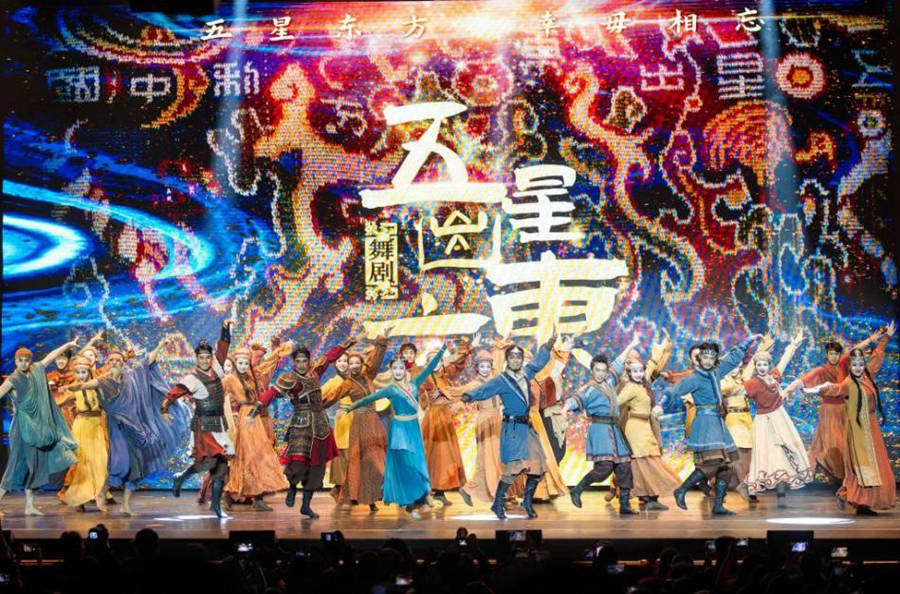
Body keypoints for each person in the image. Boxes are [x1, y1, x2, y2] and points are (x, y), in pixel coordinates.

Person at [66, 338, 191, 516]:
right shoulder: (103, 381)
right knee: (119, 464)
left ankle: (125, 505)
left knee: (136, 467)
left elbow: (148, 361)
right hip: (117, 429)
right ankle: (101, 492)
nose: (114, 363)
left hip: (134, 428)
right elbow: (85, 385)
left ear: (123, 362)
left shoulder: (132, 377)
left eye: (118, 360)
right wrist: (70, 388)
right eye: (111, 360)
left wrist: (160, 345)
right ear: (108, 363)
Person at [254, 331, 362, 518]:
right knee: (297, 464)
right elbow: (273, 392)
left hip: (320, 426)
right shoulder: (290, 379)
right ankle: (292, 487)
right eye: (298, 361)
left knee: (316, 468)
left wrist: (346, 344)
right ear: (294, 362)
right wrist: (259, 404)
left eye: (305, 361)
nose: (302, 364)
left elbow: (329, 357)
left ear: (308, 361)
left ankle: (306, 505)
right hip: (301, 426)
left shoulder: (314, 373)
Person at [459, 330, 556, 520]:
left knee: (537, 466)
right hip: (512, 429)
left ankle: (527, 501)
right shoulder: (501, 380)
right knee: (514, 467)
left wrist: (548, 345)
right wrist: (467, 396)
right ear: (507, 360)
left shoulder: (526, 373)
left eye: (519, 357)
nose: (516, 360)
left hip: (527, 428)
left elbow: (538, 362)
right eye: (512, 357)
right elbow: (484, 389)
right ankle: (497, 503)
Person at [803, 322, 896, 515]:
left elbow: (877, 356)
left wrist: (885, 338)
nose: (858, 368)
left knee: (876, 465)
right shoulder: (848, 383)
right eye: (854, 365)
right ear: (850, 366)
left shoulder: (868, 376)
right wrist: (815, 389)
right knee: (861, 466)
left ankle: (861, 499)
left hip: (872, 428)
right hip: (856, 431)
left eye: (861, 364)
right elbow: (832, 388)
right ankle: (857, 500)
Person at [661, 335, 759, 515]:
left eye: (711, 357)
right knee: (712, 463)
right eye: (704, 357)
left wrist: (747, 341)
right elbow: (674, 391)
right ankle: (681, 490)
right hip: (706, 422)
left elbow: (732, 359)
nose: (707, 360)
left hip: (718, 422)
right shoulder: (694, 378)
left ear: (715, 359)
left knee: (727, 466)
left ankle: (718, 506)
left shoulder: (716, 373)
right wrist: (660, 405)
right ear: (699, 358)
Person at [348, 345, 448, 519]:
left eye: (401, 368)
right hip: (399, 429)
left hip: (413, 428)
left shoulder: (414, 383)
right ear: (391, 371)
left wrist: (441, 351)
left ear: (405, 370)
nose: (398, 371)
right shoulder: (391, 389)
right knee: (406, 464)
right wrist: (351, 407)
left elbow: (430, 367)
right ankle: (411, 501)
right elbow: (369, 398)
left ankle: (418, 499)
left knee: (417, 463)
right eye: (395, 368)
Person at [161, 322, 235, 518]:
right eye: (201, 357)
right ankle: (182, 477)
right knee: (211, 462)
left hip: (219, 424)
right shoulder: (191, 378)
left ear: (211, 358)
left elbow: (223, 348)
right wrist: (164, 409)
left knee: (222, 465)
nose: (205, 360)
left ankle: (215, 505)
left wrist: (225, 329)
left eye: (207, 357)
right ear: (196, 359)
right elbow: (173, 394)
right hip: (204, 425)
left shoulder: (217, 369)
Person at [0, 339, 79, 516]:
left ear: (30, 361)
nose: (23, 363)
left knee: (34, 466)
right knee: (16, 465)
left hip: (39, 428)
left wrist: (68, 345)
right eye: (20, 360)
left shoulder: (36, 370)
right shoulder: (13, 379)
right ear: (15, 361)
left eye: (26, 360)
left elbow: (51, 356)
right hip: (22, 429)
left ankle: (29, 506)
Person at [565, 334, 640, 516]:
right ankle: (578, 489)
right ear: (592, 371)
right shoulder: (588, 389)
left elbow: (618, 363)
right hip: (599, 429)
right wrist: (565, 408)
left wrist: (631, 344)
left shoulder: (610, 381)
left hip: (614, 429)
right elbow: (575, 400)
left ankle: (624, 505)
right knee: (604, 468)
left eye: (603, 370)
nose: (600, 373)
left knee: (624, 466)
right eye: (597, 370)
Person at [743, 330, 812, 507]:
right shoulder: (751, 384)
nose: (762, 367)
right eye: (759, 364)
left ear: (769, 365)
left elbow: (784, 360)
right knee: (764, 454)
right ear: (755, 366)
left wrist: (794, 344)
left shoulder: (774, 377)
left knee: (784, 452)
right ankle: (753, 489)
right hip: (763, 422)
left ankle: (781, 495)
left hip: (780, 419)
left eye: (765, 364)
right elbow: (738, 388)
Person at [616, 338, 681, 511]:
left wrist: (662, 349)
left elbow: (651, 366)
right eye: (630, 363)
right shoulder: (626, 384)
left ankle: (650, 496)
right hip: (634, 426)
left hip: (646, 425)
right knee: (642, 460)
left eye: (639, 367)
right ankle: (645, 496)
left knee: (649, 458)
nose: (637, 371)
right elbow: (616, 401)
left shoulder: (642, 382)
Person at [222, 347, 290, 511]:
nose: (243, 366)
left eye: (246, 363)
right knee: (249, 456)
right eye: (240, 363)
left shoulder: (251, 377)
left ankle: (255, 498)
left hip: (256, 417)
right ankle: (233, 494)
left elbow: (268, 364)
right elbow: (217, 395)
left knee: (259, 456)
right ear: (235, 363)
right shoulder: (230, 379)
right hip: (246, 417)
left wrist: (280, 350)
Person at [328, 333, 389, 510]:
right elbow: (331, 397)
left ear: (362, 364)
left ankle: (374, 497)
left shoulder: (368, 376)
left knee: (376, 459)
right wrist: (313, 404)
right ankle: (355, 496)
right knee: (358, 460)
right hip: (359, 422)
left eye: (357, 363)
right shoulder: (347, 384)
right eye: (351, 363)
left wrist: (382, 340)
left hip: (373, 422)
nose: (354, 366)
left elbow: (376, 359)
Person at [784, 338, 848, 486]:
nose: (834, 357)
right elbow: (804, 379)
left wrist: (872, 339)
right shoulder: (822, 370)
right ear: (827, 354)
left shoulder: (844, 367)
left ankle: (843, 477)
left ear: (840, 355)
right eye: (831, 354)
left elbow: (855, 351)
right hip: (829, 410)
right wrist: (787, 390)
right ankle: (833, 471)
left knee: (844, 443)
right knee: (833, 442)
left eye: (836, 354)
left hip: (844, 409)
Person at [417, 341, 471, 506]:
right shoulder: (427, 378)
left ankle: (439, 491)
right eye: (431, 360)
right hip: (434, 418)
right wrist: (426, 400)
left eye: (437, 360)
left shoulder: (444, 376)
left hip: (445, 417)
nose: (434, 363)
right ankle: (427, 491)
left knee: (445, 455)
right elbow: (420, 393)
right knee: (436, 454)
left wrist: (467, 349)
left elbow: (457, 364)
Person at [445, 349, 501, 506]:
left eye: (487, 366)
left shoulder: (496, 380)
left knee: (494, 457)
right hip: (485, 420)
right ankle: (494, 492)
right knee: (487, 457)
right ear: (477, 368)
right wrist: (445, 391)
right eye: (482, 366)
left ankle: (472, 489)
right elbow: (460, 392)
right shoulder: (476, 384)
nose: (485, 369)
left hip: (496, 420)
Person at [58, 355, 109, 512]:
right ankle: (79, 498)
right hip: (82, 426)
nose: (81, 375)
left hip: (97, 425)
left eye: (84, 372)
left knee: (101, 462)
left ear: (89, 372)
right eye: (78, 372)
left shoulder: (97, 386)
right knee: (83, 463)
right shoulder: (74, 389)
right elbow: (59, 401)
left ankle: (99, 496)